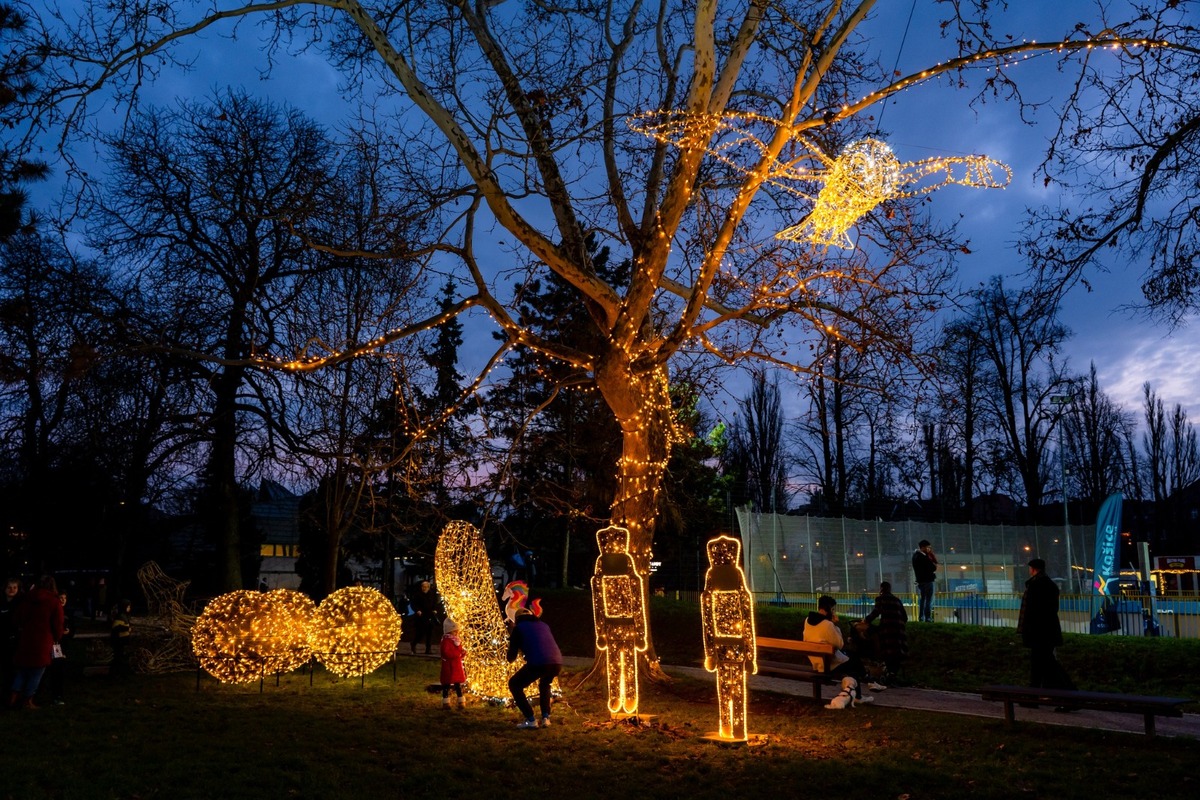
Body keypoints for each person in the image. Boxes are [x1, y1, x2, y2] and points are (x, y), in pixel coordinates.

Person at [699, 535, 756, 740]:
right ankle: (726, 724)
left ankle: (737, 725)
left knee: (735, 687)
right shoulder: (711, 591)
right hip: (723, 645)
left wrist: (749, 656)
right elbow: (707, 622)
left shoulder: (738, 591)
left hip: (735, 644)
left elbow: (747, 621)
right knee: (727, 687)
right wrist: (710, 652)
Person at [590, 525, 647, 716]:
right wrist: (601, 632)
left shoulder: (629, 571)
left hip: (628, 625)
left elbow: (638, 602)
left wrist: (640, 633)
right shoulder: (601, 570)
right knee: (614, 663)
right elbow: (598, 604)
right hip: (611, 625)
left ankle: (630, 695)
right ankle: (615, 696)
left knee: (628, 663)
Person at [1017, 558, 1075, 705]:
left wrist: (1027, 630)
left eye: (1029, 568)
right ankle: (1034, 697)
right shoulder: (1049, 585)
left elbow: (1033, 612)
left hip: (1039, 633)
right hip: (1046, 632)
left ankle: (1070, 696)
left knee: (1047, 665)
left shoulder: (1036, 585)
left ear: (1033, 569)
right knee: (1041, 665)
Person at [9, 575, 64, 709]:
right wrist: (57, 636)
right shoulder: (53, 601)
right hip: (43, 641)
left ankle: (12, 698)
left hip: (27, 639)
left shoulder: (28, 599)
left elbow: (17, 618)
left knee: (22, 671)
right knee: (37, 673)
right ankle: (28, 700)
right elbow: (58, 623)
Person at [803, 595, 871, 703]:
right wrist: (835, 625)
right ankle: (861, 690)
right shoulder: (828, 625)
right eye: (833, 609)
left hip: (816, 662)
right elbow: (840, 644)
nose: (834, 612)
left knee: (851, 656)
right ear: (827, 609)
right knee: (853, 662)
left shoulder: (808, 620)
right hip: (827, 665)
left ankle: (863, 685)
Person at [506, 606, 562, 729]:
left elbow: (511, 657)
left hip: (539, 662)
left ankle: (530, 719)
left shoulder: (519, 628)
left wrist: (511, 644)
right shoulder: (544, 625)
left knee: (515, 684)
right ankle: (546, 718)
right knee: (545, 684)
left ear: (517, 619)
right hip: (556, 662)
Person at [861, 581, 908, 685]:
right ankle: (892, 674)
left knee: (888, 651)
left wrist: (866, 620)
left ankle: (888, 674)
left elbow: (876, 612)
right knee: (896, 652)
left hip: (887, 630)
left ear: (881, 589)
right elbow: (905, 617)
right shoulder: (897, 600)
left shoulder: (880, 599)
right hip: (899, 630)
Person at [45, 590, 75, 705]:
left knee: (59, 671)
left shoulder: (68, 613)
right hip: (52, 644)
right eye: (60, 598)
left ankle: (58, 694)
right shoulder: (52, 612)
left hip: (62, 646)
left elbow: (72, 629)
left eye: (64, 598)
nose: (62, 600)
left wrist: (69, 631)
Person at [439, 617, 466, 709]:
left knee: (457, 684)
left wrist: (462, 653)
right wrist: (457, 654)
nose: (456, 633)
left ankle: (460, 700)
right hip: (449, 666)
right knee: (446, 684)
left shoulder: (456, 640)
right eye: (455, 631)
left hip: (456, 665)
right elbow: (446, 653)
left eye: (457, 631)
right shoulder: (446, 641)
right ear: (449, 631)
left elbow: (458, 652)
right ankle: (446, 702)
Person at [408, 580, 440, 655]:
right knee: (420, 632)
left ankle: (428, 649)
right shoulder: (418, 595)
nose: (424, 588)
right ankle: (413, 644)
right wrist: (417, 610)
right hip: (421, 616)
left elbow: (434, 603)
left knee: (430, 633)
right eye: (423, 587)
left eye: (426, 587)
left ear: (428, 587)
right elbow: (413, 604)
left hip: (429, 615)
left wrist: (434, 609)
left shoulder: (431, 594)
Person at [1, 577, 21, 695]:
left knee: (12, 668)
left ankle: (11, 692)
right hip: (2, 639)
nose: (12, 590)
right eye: (9, 587)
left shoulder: (20, 603)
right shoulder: (2, 601)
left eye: (15, 587)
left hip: (14, 640)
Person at [912, 540, 939, 622]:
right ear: (923, 547)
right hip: (928, 580)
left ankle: (921, 617)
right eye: (928, 547)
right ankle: (928, 618)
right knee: (929, 600)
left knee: (923, 600)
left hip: (920, 581)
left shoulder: (915, 556)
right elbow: (933, 567)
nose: (929, 549)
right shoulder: (923, 557)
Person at [110, 599, 133, 677]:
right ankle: (118, 672)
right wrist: (127, 629)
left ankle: (121, 672)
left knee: (122, 656)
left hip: (124, 639)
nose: (129, 608)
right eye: (128, 607)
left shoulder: (124, 616)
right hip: (120, 640)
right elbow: (116, 627)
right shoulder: (120, 617)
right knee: (119, 656)